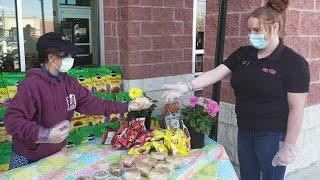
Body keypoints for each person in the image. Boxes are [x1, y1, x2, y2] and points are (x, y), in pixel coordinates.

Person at [163, 0, 310, 179]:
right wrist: (186, 86)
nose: (251, 35)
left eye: (257, 30)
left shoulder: (293, 63)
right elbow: (217, 73)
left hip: (271, 136)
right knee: (248, 176)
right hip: (245, 131)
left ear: (275, 27)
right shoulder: (244, 53)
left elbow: (297, 109)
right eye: (249, 31)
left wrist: (288, 146)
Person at [4, 32, 151, 169]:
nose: (71, 59)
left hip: (55, 154)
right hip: (29, 158)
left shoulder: (69, 83)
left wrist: (128, 106)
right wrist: (45, 134)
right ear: (51, 58)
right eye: (66, 55)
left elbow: (95, 104)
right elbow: (12, 121)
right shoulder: (31, 85)